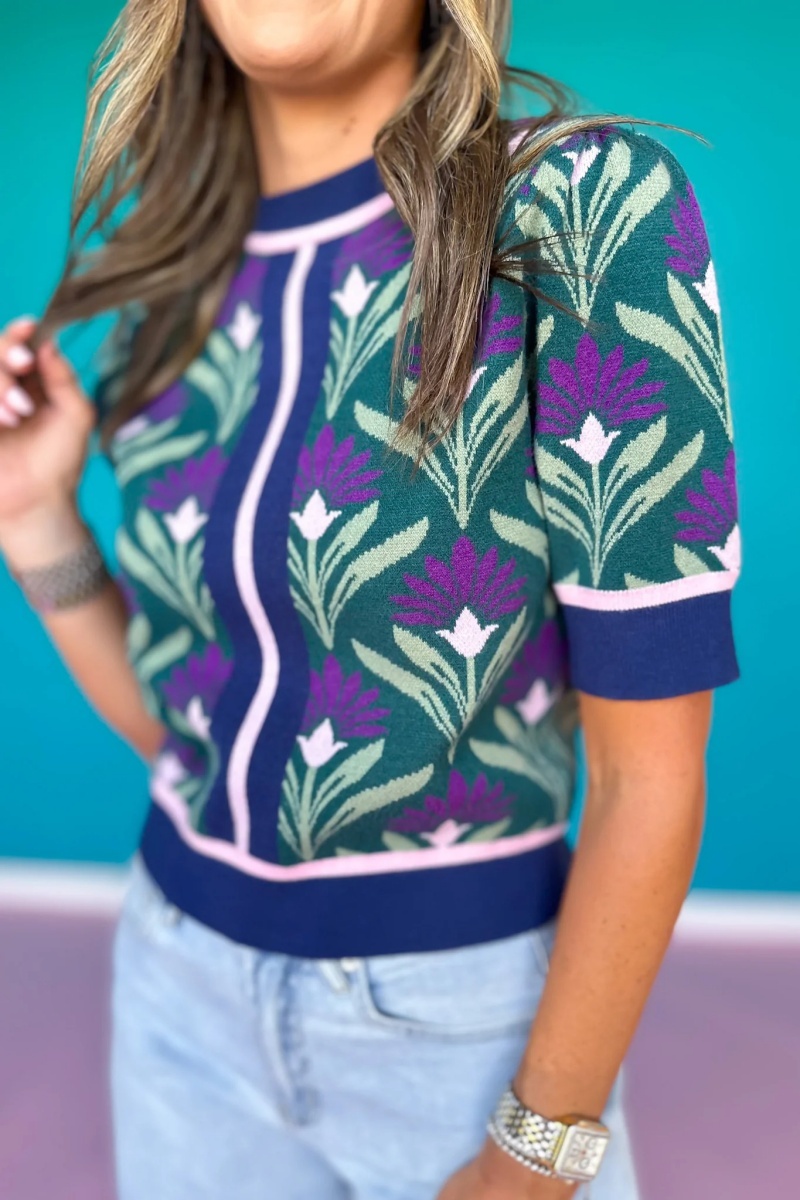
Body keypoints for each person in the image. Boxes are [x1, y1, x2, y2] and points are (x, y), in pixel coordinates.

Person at [0, 1, 740, 1197]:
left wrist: (536, 1150)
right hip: (174, 993)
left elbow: (643, 776)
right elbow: (195, 738)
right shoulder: (162, 279)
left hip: (463, 1031)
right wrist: (36, 517)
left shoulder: (580, 205)